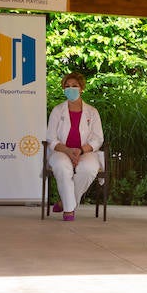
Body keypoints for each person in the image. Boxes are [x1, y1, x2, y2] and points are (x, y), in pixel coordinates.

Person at [46, 72, 104, 222]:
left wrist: (81, 150)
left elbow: (98, 138)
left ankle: (64, 202)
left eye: (74, 86)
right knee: (61, 166)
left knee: (89, 169)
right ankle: (69, 210)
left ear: (81, 88)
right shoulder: (57, 110)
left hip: (85, 151)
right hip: (61, 150)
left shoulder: (92, 111)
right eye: (67, 86)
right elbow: (51, 138)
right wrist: (67, 150)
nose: (70, 89)